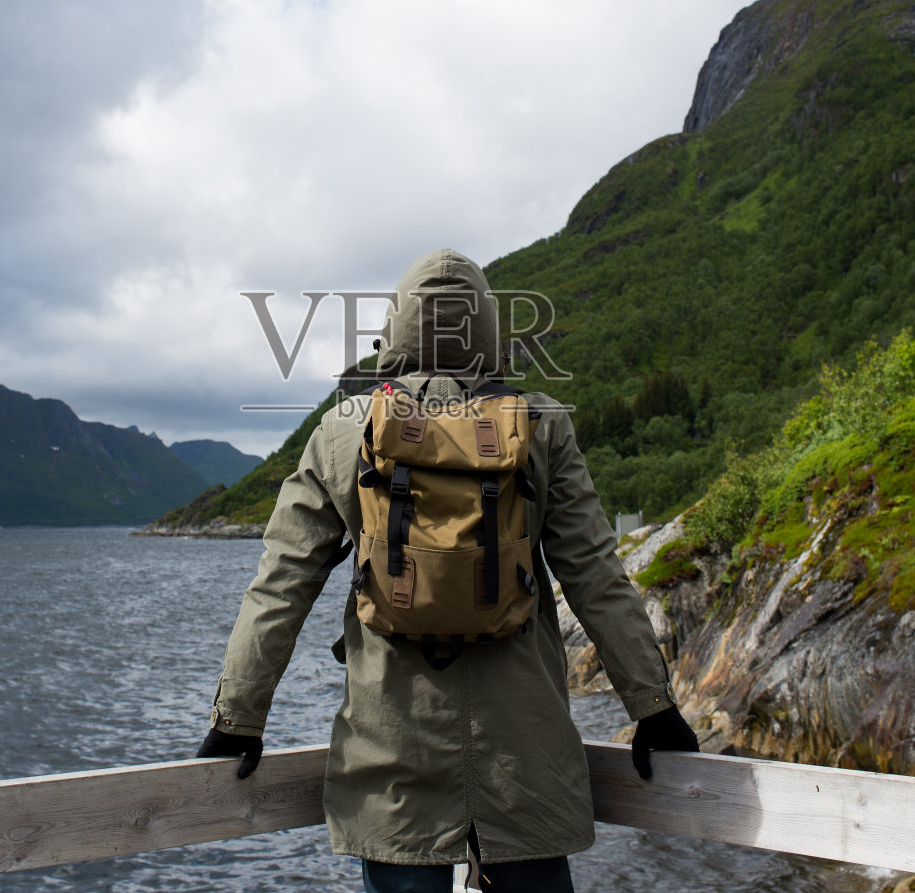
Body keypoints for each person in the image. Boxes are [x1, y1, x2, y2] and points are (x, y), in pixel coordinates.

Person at [198, 248, 699, 892]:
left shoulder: (345, 429)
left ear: (396, 327)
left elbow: (281, 586)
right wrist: (653, 706)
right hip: (527, 762)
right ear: (488, 328)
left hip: (391, 762)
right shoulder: (540, 426)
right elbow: (596, 575)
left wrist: (237, 719)